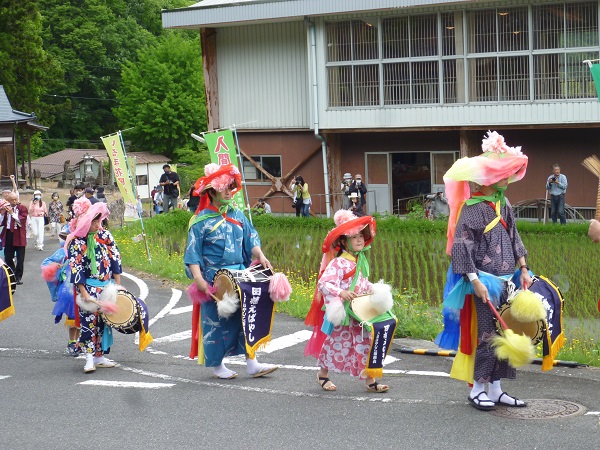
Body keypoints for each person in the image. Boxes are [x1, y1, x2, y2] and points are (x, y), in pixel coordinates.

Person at [443, 130, 531, 411]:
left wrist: (524, 269)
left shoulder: (503, 203)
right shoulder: (471, 208)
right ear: (491, 178)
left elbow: (514, 236)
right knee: (487, 335)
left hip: (508, 280)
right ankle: (478, 388)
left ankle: (497, 388)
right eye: (503, 173)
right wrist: (474, 280)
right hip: (484, 280)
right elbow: (462, 248)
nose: (508, 178)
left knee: (506, 332)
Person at [184, 163, 278, 379]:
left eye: (231, 187)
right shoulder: (200, 222)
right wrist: (198, 278)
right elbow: (193, 252)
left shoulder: (238, 214)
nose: (229, 191)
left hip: (240, 275)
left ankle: (252, 362)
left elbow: (250, 238)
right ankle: (217, 365)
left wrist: (260, 255)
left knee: (246, 318)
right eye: (224, 187)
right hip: (214, 279)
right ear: (212, 191)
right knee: (215, 322)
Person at [304, 210, 392, 393]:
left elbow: (361, 283)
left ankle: (370, 380)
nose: (360, 240)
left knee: (366, 343)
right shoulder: (338, 264)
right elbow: (324, 283)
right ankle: (322, 374)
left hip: (359, 312)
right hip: (345, 313)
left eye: (361, 236)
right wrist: (341, 292)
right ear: (344, 242)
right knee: (334, 345)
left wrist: (373, 289)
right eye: (354, 237)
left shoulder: (358, 261)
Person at [66, 202, 122, 373]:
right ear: (85, 222)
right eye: (94, 222)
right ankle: (89, 358)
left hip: (106, 286)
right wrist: (83, 292)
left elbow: (115, 258)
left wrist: (118, 285)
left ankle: (100, 355)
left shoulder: (105, 235)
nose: (98, 225)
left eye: (99, 221)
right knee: (88, 323)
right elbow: (76, 268)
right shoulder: (77, 241)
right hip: (89, 287)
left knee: (104, 323)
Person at [1, 192, 28, 284]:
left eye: (16, 199)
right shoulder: (6, 208)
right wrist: (2, 213)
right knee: (8, 256)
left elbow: (21, 221)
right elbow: (2, 222)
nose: (15, 201)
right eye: (12, 200)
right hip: (9, 233)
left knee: (20, 257)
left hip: (19, 234)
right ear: (8, 200)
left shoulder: (22, 208)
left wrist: (12, 213)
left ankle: (18, 277)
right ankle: (12, 273)